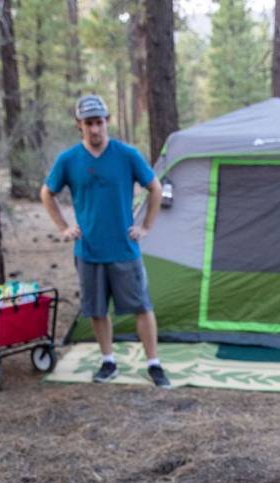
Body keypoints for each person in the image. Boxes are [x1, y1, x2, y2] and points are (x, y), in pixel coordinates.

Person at [40, 94, 168, 386]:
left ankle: (154, 363)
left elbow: (155, 188)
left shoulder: (126, 155)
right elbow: (47, 193)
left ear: (107, 122)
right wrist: (63, 227)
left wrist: (146, 226)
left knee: (142, 307)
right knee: (97, 309)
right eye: (88, 123)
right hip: (89, 250)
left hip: (124, 248)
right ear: (79, 125)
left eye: (99, 122)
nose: (95, 129)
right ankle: (108, 361)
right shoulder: (69, 160)